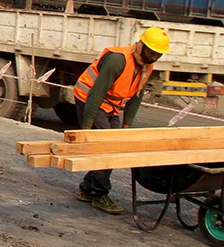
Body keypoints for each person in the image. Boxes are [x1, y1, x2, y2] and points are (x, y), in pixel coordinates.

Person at [71, 27, 169, 215]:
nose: (155, 57)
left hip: (110, 105)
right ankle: (99, 193)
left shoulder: (147, 64)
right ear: (141, 46)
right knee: (106, 146)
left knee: (112, 144)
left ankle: (86, 189)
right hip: (90, 99)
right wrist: (87, 126)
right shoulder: (118, 60)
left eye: (158, 54)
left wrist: (127, 126)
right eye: (152, 52)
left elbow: (136, 96)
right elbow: (97, 92)